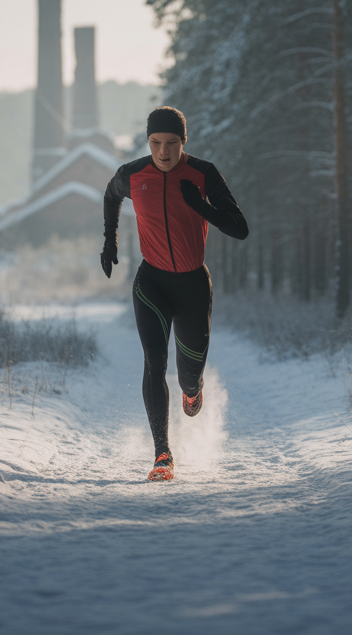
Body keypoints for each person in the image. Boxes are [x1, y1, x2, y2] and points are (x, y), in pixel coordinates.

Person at [101, 106, 248, 481]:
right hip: (151, 283)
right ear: (148, 142)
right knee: (154, 359)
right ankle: (162, 455)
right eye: (155, 143)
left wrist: (199, 203)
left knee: (187, 374)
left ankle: (193, 389)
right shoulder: (134, 174)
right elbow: (110, 194)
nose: (163, 152)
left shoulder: (203, 173)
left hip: (193, 285)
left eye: (171, 143)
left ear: (184, 141)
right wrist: (110, 242)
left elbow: (239, 227)